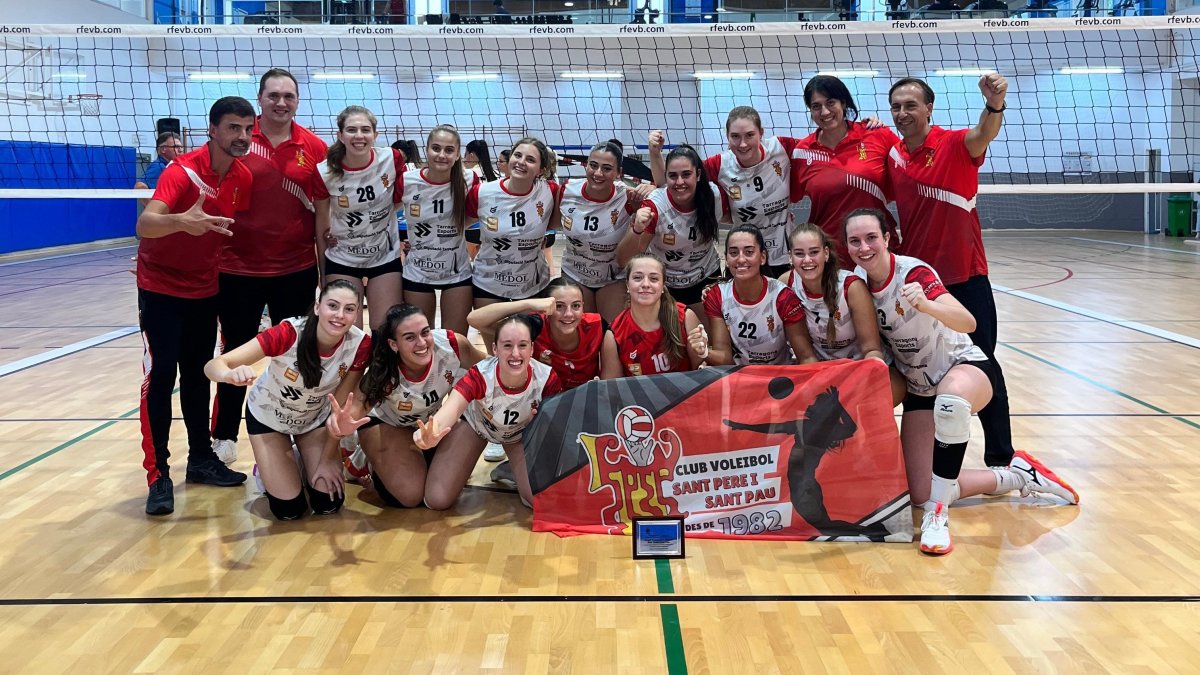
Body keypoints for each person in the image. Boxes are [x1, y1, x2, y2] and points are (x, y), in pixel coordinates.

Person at [845, 209, 1078, 555]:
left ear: (888, 238)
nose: (864, 247)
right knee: (920, 490)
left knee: (950, 402)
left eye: (871, 238)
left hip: (966, 366)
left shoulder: (914, 273)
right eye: (855, 241)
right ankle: (1018, 476)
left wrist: (926, 305)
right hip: (920, 387)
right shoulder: (859, 284)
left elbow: (967, 321)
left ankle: (937, 518)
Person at [886, 73, 1016, 470]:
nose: (903, 113)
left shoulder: (954, 143)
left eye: (911, 105)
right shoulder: (893, 155)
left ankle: (1000, 458)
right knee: (919, 367)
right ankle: (928, 462)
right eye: (896, 107)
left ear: (929, 108)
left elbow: (983, 132)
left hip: (965, 277)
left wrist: (994, 105)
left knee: (984, 364)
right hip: (920, 284)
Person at [135, 96, 255, 516]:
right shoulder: (180, 170)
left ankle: (201, 460)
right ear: (213, 130)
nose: (241, 136)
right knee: (162, 375)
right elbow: (145, 224)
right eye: (233, 128)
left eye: (246, 129)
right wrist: (180, 221)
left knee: (199, 374)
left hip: (205, 289)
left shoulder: (242, 177)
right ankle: (158, 475)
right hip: (161, 289)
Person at [210, 68, 328, 466]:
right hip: (238, 269)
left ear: (297, 101)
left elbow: (322, 211)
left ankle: (295, 430)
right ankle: (224, 435)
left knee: (299, 355)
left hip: (294, 269)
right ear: (260, 99)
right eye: (273, 95)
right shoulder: (240, 139)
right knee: (236, 352)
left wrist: (324, 271)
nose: (281, 102)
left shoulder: (313, 147)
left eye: (288, 96)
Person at [204, 280, 370, 520]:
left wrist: (326, 460)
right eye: (332, 306)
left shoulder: (361, 345)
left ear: (356, 314)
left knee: (328, 503)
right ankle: (267, 471)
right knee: (288, 510)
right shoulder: (288, 333)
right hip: (268, 417)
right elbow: (213, 366)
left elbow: (337, 410)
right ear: (317, 307)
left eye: (349, 309)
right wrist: (229, 375)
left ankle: (301, 458)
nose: (340, 315)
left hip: (312, 420)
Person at [328, 304, 486, 509]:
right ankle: (365, 458)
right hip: (387, 424)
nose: (421, 343)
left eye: (425, 332)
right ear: (394, 345)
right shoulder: (384, 369)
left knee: (440, 491)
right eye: (410, 337)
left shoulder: (453, 346)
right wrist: (344, 425)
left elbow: (487, 369)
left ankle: (410, 459)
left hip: (426, 424)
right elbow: (358, 405)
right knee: (411, 496)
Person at [467, 277, 622, 471]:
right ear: (546, 309)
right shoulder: (535, 324)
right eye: (559, 306)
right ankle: (506, 439)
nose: (568, 314)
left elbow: (612, 383)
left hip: (579, 406)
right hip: (537, 409)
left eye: (576, 306)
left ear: (584, 307)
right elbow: (474, 319)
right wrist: (527, 303)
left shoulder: (598, 326)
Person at [414, 315, 562, 506]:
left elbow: (555, 428)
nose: (515, 354)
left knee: (539, 500)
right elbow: (452, 407)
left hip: (519, 436)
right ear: (495, 349)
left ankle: (512, 469)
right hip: (476, 428)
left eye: (522, 345)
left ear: (532, 348)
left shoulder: (547, 379)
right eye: (507, 345)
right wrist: (429, 433)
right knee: (437, 500)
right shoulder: (480, 375)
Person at [650, 109, 796, 277]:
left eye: (749, 135)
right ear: (727, 136)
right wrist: (655, 158)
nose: (742, 144)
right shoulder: (720, 164)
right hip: (743, 257)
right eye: (735, 136)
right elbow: (678, 181)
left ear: (761, 133)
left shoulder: (782, 147)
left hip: (783, 256)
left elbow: (818, 147)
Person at [791, 75, 900, 270]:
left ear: (843, 102)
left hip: (877, 251)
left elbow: (908, 175)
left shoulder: (877, 135)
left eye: (830, 102)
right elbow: (787, 196)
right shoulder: (802, 151)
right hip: (830, 256)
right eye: (816, 106)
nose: (824, 112)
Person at [312, 105, 405, 333]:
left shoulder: (391, 159)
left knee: (384, 329)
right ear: (340, 135)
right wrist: (323, 275)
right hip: (343, 257)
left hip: (384, 256)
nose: (359, 136)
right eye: (352, 130)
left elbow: (401, 200)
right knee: (347, 330)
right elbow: (321, 223)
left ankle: (380, 370)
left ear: (375, 134)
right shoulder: (324, 172)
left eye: (365, 129)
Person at [466, 136, 561, 340]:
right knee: (498, 350)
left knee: (530, 347)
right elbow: (459, 224)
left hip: (532, 284)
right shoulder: (482, 192)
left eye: (530, 159)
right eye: (518, 155)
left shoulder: (550, 191)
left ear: (541, 170)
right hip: (489, 283)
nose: (521, 162)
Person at [618, 144, 722, 329]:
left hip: (705, 278)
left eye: (686, 174)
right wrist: (636, 229)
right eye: (673, 176)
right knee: (671, 344)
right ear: (665, 178)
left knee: (707, 343)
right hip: (667, 286)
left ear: (698, 175)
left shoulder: (712, 196)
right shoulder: (654, 207)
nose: (679, 181)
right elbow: (623, 260)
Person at [556, 140, 653, 322]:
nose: (598, 173)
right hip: (575, 274)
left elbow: (665, 195)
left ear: (618, 173)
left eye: (607, 168)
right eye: (593, 165)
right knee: (582, 333)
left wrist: (653, 188)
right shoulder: (566, 191)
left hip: (613, 278)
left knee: (613, 334)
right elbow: (550, 224)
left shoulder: (628, 196)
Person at [397, 124, 476, 335]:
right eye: (436, 148)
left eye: (449, 150)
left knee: (455, 341)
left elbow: (472, 217)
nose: (442, 155)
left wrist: (445, 230)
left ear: (458, 154)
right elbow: (384, 214)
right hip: (418, 271)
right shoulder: (408, 180)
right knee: (420, 338)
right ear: (427, 150)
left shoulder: (469, 180)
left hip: (456, 272)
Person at [703, 225, 818, 366]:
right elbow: (725, 358)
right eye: (733, 253)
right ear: (726, 259)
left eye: (749, 252)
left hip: (778, 379)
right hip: (738, 378)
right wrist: (704, 351)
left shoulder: (783, 297)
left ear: (762, 257)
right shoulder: (716, 295)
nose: (740, 259)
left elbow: (806, 357)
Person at [782, 222, 886, 363]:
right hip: (820, 369)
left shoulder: (852, 287)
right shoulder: (786, 283)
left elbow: (872, 350)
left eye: (814, 252)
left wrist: (863, 380)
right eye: (799, 254)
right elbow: (806, 357)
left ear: (826, 253)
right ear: (790, 257)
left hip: (859, 366)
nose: (807, 260)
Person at [602, 254, 709, 376]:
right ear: (627, 285)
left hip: (686, 394)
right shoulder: (614, 335)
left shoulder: (685, 317)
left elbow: (701, 373)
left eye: (654, 279)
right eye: (638, 278)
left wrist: (704, 358)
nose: (646, 284)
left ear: (663, 286)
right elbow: (612, 389)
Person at [135, 132, 185, 207]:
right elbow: (139, 186)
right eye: (176, 147)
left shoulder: (171, 166)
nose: (180, 150)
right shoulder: (159, 167)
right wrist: (154, 211)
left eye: (181, 147)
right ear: (163, 149)